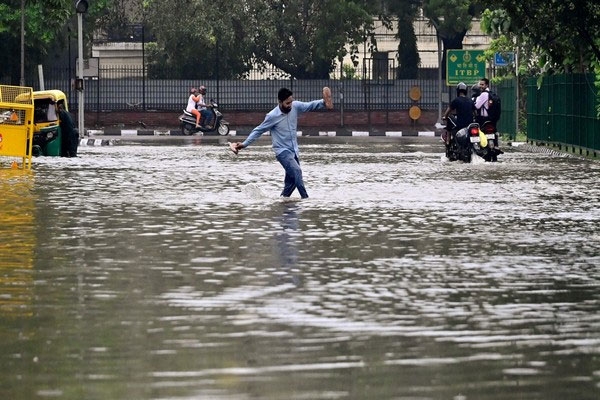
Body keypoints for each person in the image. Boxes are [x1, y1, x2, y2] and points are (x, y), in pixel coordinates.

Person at [229, 87, 333, 199]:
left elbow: (309, 105)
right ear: (280, 102)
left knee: (292, 183)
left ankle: (283, 202)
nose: (290, 105)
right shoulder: (272, 116)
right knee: (297, 171)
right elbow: (258, 130)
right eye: (287, 103)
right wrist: (245, 144)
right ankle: (306, 200)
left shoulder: (295, 106)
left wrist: (323, 102)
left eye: (291, 102)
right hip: (282, 152)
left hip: (294, 151)